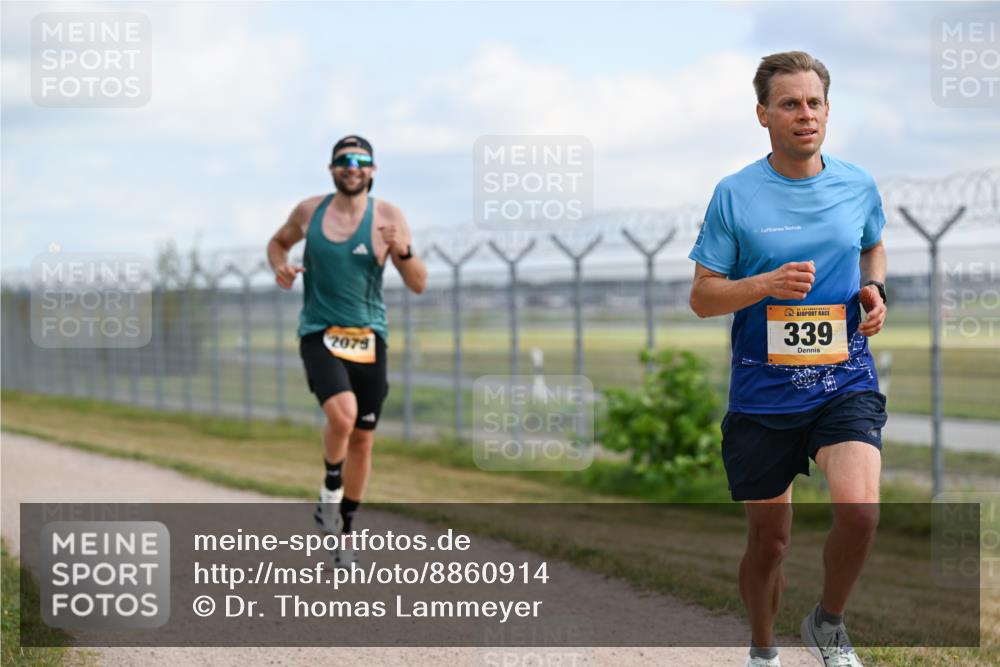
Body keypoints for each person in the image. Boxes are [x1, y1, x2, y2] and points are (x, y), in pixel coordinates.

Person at [687, 52, 888, 667]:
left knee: (859, 511)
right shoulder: (735, 194)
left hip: (842, 377)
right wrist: (764, 285)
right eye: (790, 104)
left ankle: (828, 624)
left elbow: (872, 246)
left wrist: (874, 289)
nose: (806, 115)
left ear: (828, 110)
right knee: (769, 543)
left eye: (815, 103)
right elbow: (702, 296)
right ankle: (764, 649)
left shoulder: (857, 184)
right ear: (763, 114)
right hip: (763, 393)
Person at [267, 135, 427, 567]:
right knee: (343, 415)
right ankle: (330, 487)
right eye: (343, 160)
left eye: (360, 160)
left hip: (369, 336)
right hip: (319, 331)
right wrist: (281, 267)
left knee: (363, 439)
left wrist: (404, 250)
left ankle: (345, 532)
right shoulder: (309, 212)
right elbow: (277, 243)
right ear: (331, 169)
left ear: (372, 170)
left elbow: (417, 282)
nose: (352, 166)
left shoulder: (389, 217)